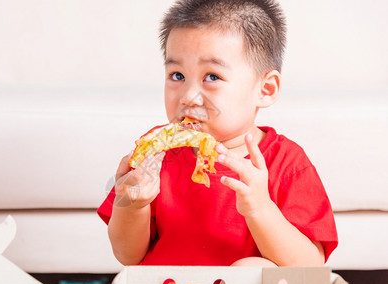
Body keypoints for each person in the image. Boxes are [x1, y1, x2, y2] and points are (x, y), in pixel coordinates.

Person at [97, 0, 338, 267]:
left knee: (256, 268)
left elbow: (310, 267)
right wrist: (132, 204)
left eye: (212, 77)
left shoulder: (286, 163)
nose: (188, 97)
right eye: (177, 75)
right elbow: (128, 256)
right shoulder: (156, 154)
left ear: (265, 90)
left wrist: (260, 209)